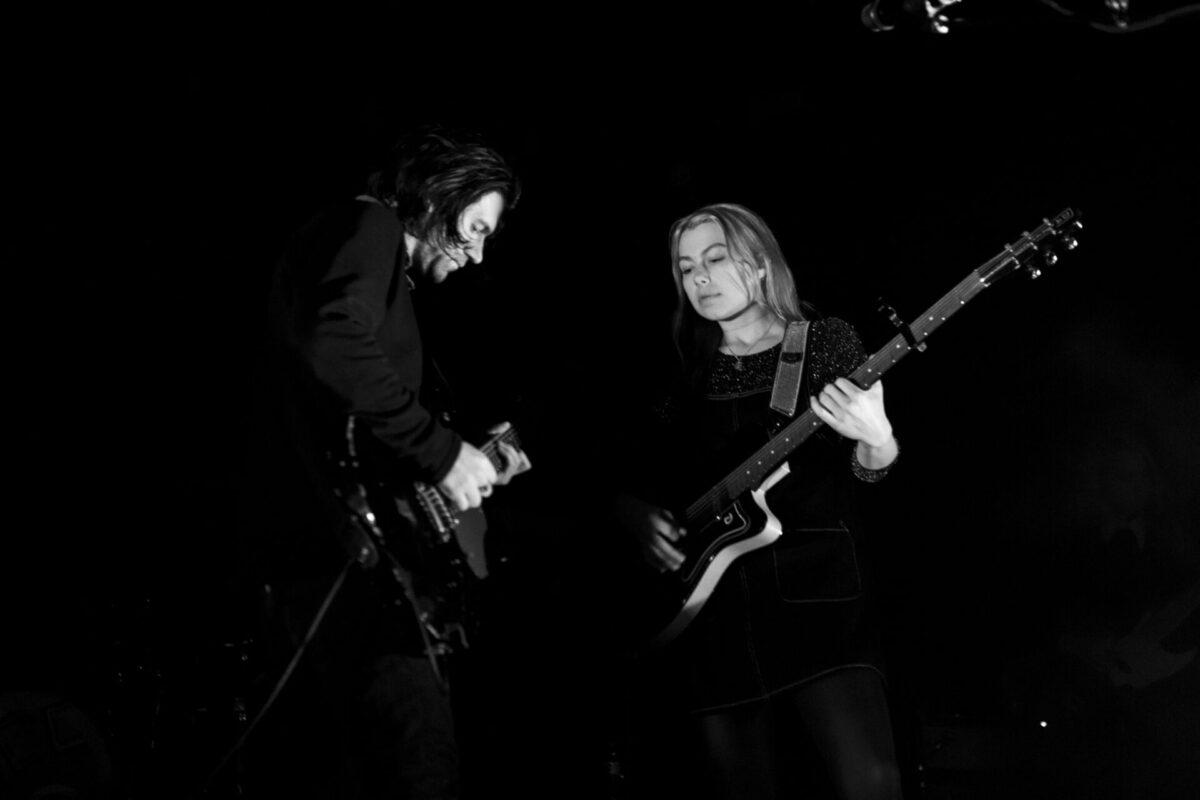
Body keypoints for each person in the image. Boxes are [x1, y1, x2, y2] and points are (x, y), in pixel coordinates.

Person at [246, 125, 531, 799]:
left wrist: (458, 461)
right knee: (420, 764)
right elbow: (332, 337)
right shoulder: (368, 223)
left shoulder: (368, 258)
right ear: (434, 197)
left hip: (335, 558)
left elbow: (347, 410)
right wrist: (441, 453)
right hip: (348, 569)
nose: (477, 255)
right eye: (475, 228)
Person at [614, 203, 903, 799]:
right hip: (712, 622)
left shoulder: (824, 341)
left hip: (821, 607)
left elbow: (870, 478)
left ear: (760, 263)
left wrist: (879, 439)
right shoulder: (685, 377)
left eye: (716, 258)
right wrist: (632, 513)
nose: (699, 277)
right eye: (686, 267)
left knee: (869, 783)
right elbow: (640, 477)